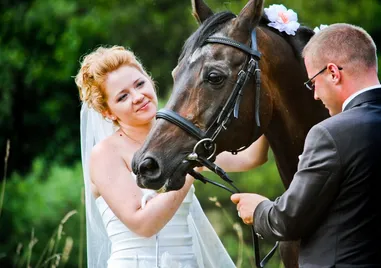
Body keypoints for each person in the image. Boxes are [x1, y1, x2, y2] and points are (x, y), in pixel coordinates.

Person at [75, 45, 268, 268]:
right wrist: (189, 164)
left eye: (140, 84)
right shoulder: (105, 154)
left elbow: (251, 158)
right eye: (123, 97)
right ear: (107, 112)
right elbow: (143, 224)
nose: (138, 97)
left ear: (150, 80)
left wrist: (268, 103)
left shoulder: (180, 140)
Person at [231, 23, 381, 267]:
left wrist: (258, 209)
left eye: (313, 82)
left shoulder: (329, 134)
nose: (315, 95)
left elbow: (288, 220)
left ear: (333, 72)